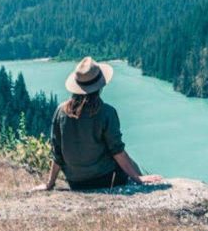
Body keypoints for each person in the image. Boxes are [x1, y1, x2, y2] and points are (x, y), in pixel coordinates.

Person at [38, 57, 163, 191]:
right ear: (100, 86)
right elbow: (117, 151)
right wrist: (138, 178)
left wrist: (50, 184)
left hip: (76, 182)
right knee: (129, 160)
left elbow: (57, 153)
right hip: (105, 179)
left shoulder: (60, 112)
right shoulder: (106, 112)